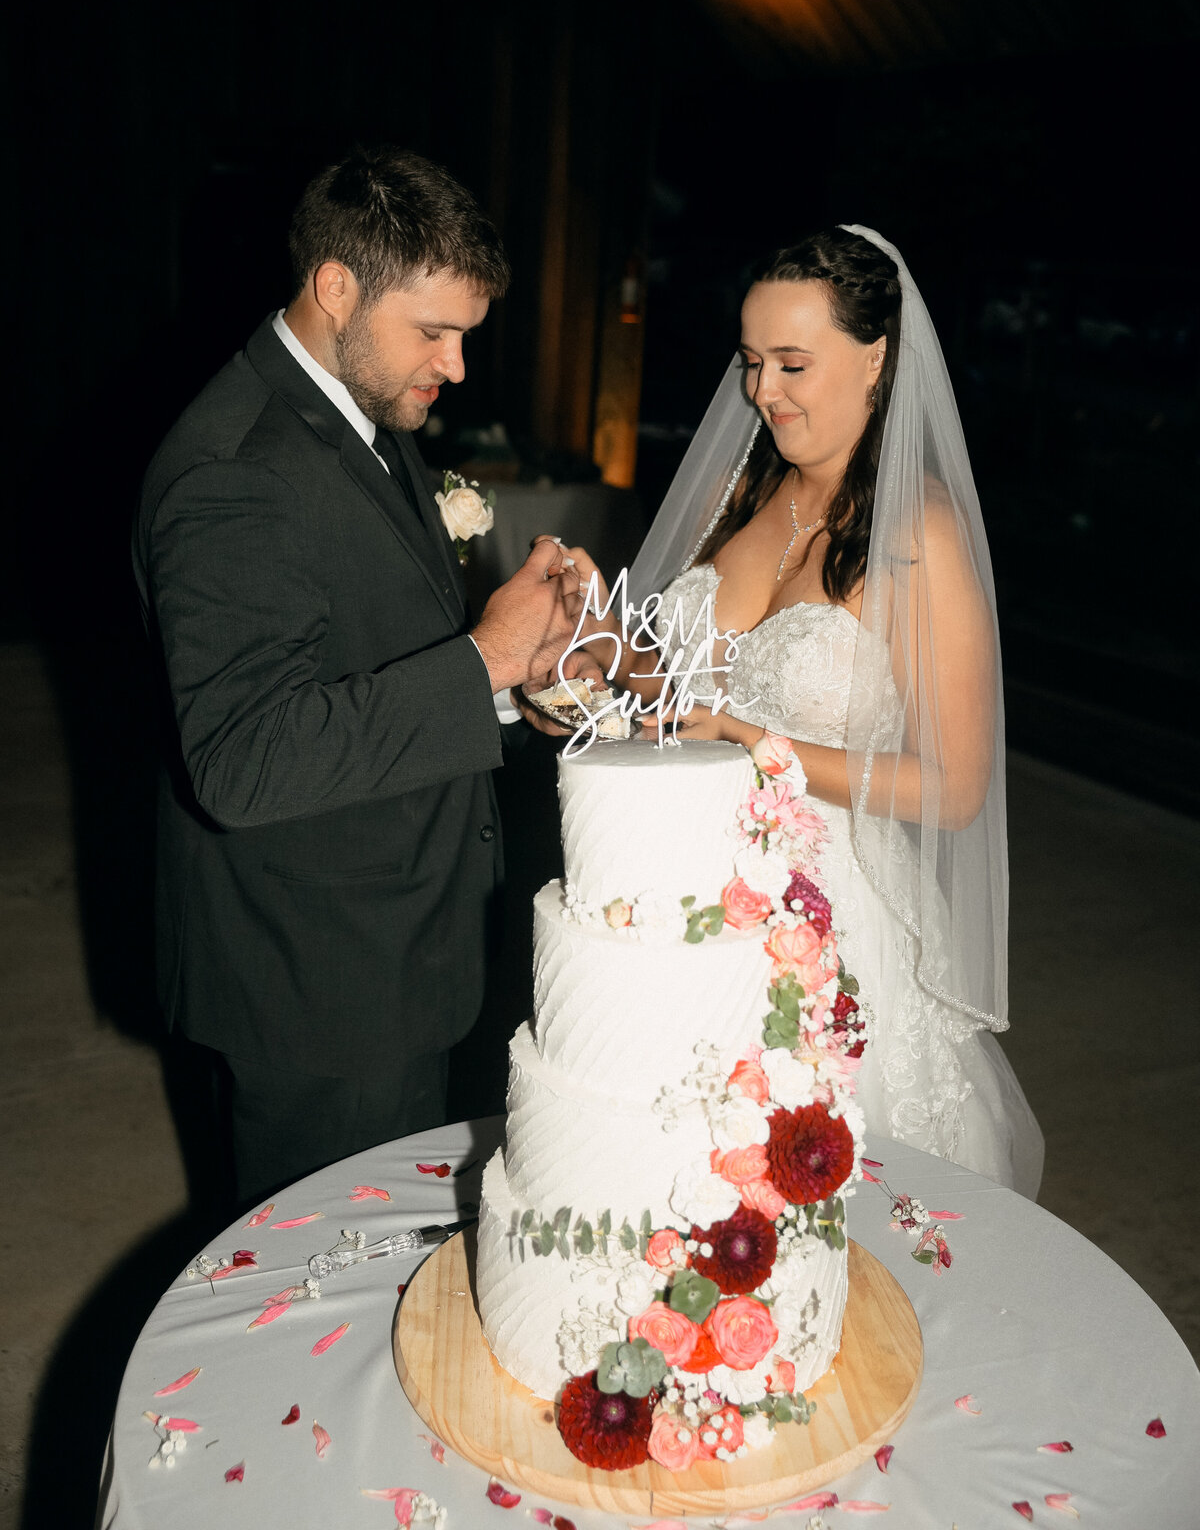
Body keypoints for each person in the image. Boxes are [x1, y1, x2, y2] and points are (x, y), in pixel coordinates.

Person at [134, 146, 584, 1207]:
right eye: (433, 331)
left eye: (465, 335)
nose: (456, 366)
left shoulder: (353, 410)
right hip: (316, 984)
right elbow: (243, 762)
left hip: (393, 947)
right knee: (326, 1279)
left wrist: (513, 680)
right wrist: (482, 656)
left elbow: (365, 649)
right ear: (336, 286)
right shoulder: (234, 470)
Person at [587, 225, 1044, 1197]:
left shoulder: (917, 534)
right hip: (680, 880)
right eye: (751, 363)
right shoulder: (741, 492)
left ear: (875, 359)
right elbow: (686, 683)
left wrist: (753, 740)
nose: (764, 392)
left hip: (829, 918)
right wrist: (597, 646)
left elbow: (955, 788)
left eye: (793, 364)